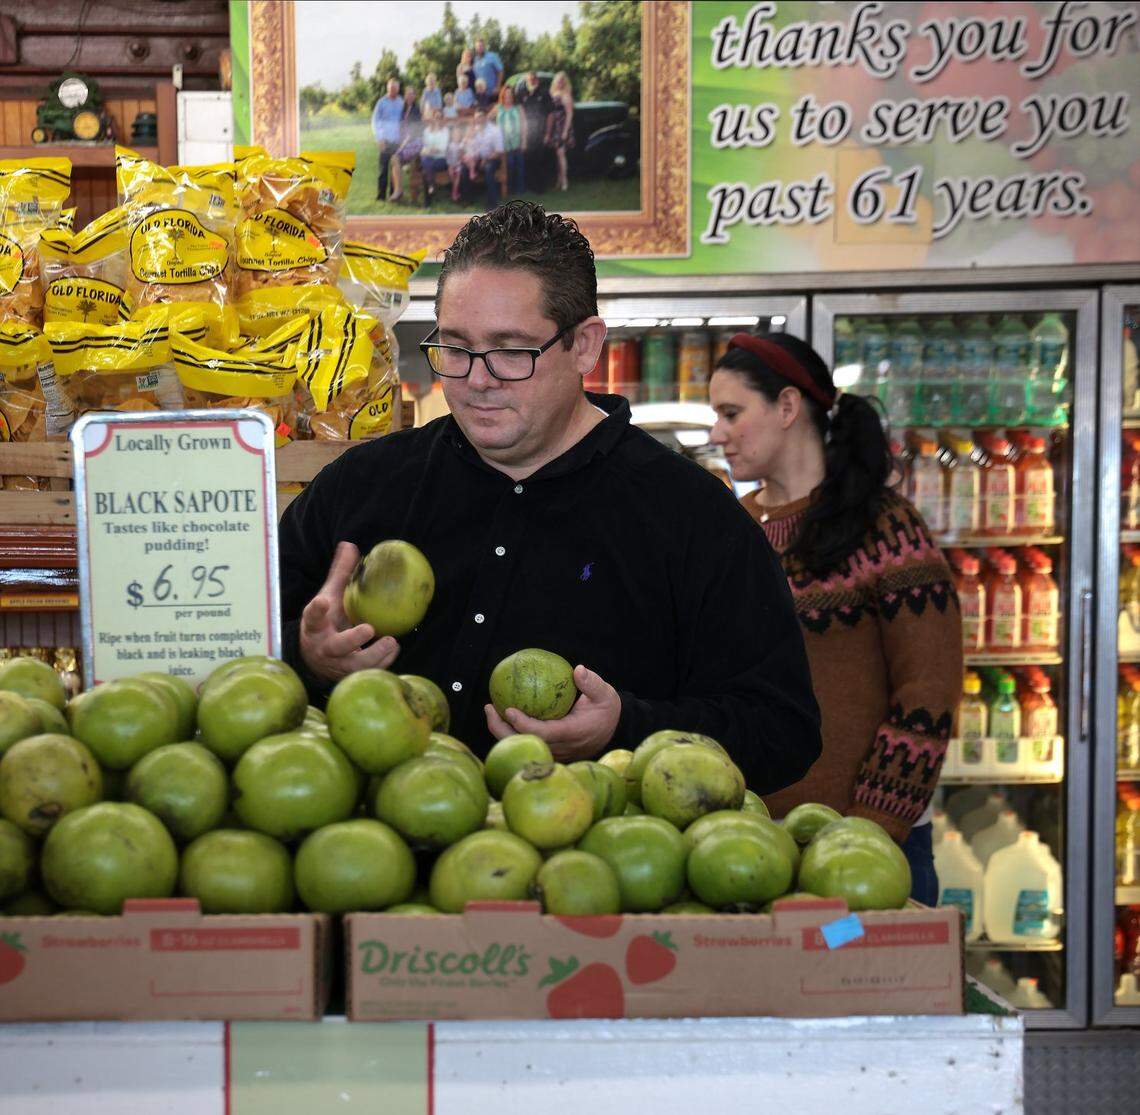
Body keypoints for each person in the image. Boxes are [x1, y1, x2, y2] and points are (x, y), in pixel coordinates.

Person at [279, 201, 821, 793]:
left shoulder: (694, 517)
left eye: (511, 350)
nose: (477, 379)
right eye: (456, 348)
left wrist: (626, 727)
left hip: (588, 871)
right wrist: (309, 658)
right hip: (371, 867)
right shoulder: (361, 485)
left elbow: (782, 731)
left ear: (586, 346)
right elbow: (225, 652)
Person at [708, 333, 963, 904]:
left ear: (788, 407)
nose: (715, 433)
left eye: (731, 413)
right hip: (743, 852)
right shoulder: (731, 527)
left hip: (868, 857)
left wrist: (870, 828)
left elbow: (929, 689)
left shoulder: (886, 530)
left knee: (861, 991)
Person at [462, 110, 504, 211]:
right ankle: (468, 199)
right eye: (476, 118)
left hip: (493, 158)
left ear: (485, 118)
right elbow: (467, 144)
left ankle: (492, 203)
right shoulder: (474, 130)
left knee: (488, 169)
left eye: (480, 117)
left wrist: (486, 159)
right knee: (464, 169)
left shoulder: (495, 130)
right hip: (477, 158)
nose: (478, 120)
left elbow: (499, 151)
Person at [517, 71, 551, 194]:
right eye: (529, 79)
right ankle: (529, 186)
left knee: (540, 159)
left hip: (541, 131)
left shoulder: (544, 93)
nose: (531, 80)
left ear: (536, 79)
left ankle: (540, 188)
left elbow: (550, 114)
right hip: (528, 132)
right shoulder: (522, 93)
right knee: (528, 159)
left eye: (533, 78)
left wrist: (548, 133)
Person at [370, 77, 404, 201]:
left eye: (395, 88)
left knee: (395, 168)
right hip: (385, 140)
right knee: (383, 168)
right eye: (391, 88)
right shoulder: (381, 102)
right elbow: (375, 121)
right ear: (387, 88)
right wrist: (379, 138)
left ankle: (393, 194)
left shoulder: (401, 102)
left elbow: (403, 120)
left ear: (398, 89)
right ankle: (380, 196)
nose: (393, 90)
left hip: (397, 140)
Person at [545, 71, 574, 192]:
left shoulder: (566, 95)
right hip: (554, 126)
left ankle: (565, 182)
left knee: (561, 155)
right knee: (558, 155)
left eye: (562, 80)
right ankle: (559, 180)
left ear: (564, 82)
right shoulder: (552, 93)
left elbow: (569, 113)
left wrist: (565, 131)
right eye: (558, 80)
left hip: (562, 127)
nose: (560, 82)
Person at [393, 85, 423, 203]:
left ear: (415, 96)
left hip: (415, 141)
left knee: (395, 158)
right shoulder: (404, 109)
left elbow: (412, 132)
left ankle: (398, 190)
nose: (409, 96)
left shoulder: (416, 110)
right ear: (405, 96)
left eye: (412, 94)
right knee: (394, 159)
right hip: (406, 141)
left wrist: (402, 146)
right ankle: (397, 190)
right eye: (407, 94)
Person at [496, 84, 526, 195]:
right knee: (509, 164)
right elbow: (485, 117)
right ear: (503, 95)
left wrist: (524, 140)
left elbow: (524, 125)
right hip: (504, 143)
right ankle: (510, 188)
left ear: (513, 96)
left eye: (510, 95)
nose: (508, 97)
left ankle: (520, 189)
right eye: (506, 94)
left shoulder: (518, 108)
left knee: (519, 165)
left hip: (517, 141)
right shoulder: (498, 108)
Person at [419, 106, 450, 208]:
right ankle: (429, 195)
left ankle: (430, 192)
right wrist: (426, 151)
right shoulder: (427, 131)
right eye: (436, 117)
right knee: (426, 163)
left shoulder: (445, 131)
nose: (438, 119)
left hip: (441, 159)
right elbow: (424, 146)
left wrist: (430, 150)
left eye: (440, 117)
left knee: (426, 169)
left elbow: (443, 147)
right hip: (428, 158)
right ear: (433, 118)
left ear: (442, 119)